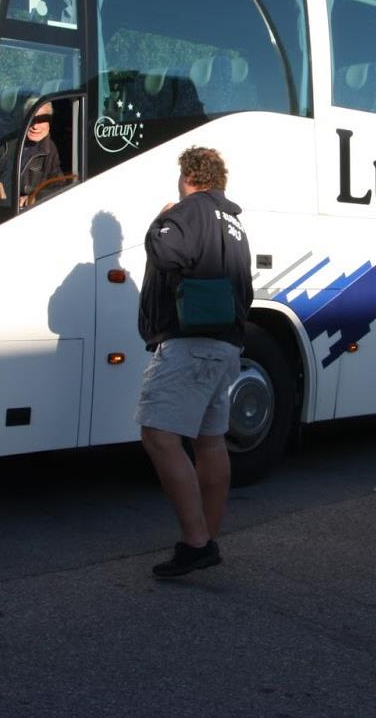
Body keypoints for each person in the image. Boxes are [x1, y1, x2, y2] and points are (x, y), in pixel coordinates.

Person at [135, 145, 253, 579]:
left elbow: (165, 253)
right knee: (210, 440)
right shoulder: (233, 220)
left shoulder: (191, 210)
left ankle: (196, 542)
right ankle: (207, 537)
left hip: (191, 343)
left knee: (159, 435)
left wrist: (162, 219)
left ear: (188, 177)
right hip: (225, 344)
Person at [0, 98, 62, 209]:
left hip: (20, 214)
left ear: (49, 122)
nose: (35, 126)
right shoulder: (9, 142)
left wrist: (34, 198)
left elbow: (59, 186)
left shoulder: (50, 151)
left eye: (41, 119)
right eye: (31, 119)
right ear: (24, 119)